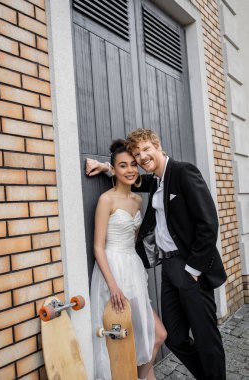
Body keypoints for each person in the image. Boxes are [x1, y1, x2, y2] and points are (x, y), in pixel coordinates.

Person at [86, 129, 227, 380]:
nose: (142, 157)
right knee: (173, 335)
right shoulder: (157, 181)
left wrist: (194, 270)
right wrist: (106, 167)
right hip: (169, 270)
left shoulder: (184, 172)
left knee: (206, 337)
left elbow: (208, 224)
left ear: (158, 146)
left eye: (145, 150)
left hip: (191, 268)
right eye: (137, 154)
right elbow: (132, 178)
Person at [89, 139, 167, 380]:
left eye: (133, 164)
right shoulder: (106, 200)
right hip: (112, 270)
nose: (130, 169)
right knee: (119, 337)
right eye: (123, 166)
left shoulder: (138, 200)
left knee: (155, 335)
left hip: (133, 267)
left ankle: (141, 376)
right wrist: (113, 286)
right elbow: (98, 247)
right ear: (114, 169)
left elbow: (135, 239)